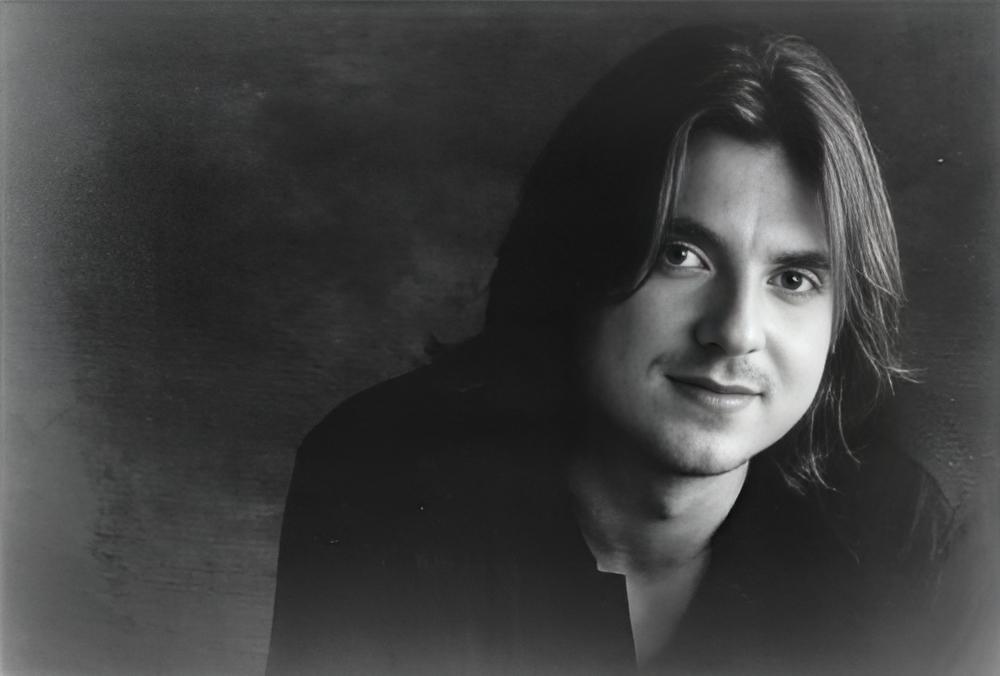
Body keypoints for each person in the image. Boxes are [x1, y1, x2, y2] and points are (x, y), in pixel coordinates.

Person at [267, 24, 954, 674]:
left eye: (794, 279)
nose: (737, 331)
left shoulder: (890, 535)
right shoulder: (380, 484)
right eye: (680, 255)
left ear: (841, 321)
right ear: (573, 261)